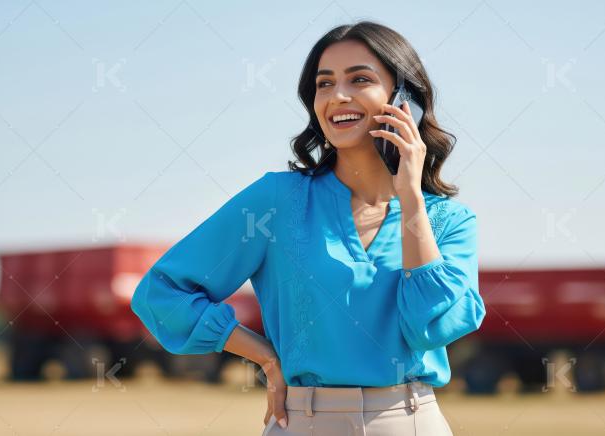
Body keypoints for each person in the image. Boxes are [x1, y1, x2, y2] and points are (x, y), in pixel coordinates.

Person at [131, 20, 485, 436]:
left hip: (410, 423)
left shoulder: (450, 222)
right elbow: (161, 293)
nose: (338, 96)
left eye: (360, 79)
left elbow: (429, 328)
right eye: (324, 83)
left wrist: (410, 195)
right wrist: (263, 355)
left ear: (404, 100)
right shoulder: (276, 201)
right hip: (303, 423)